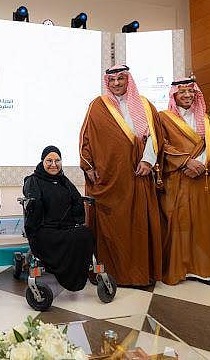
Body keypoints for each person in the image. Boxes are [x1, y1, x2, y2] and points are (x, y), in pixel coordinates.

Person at [79, 64, 163, 286]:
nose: (116, 83)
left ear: (128, 80)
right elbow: (85, 138)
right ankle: (109, 273)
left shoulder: (145, 105)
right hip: (107, 179)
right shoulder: (97, 105)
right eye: (112, 80)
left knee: (137, 226)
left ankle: (139, 274)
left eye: (121, 79)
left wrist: (147, 160)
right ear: (107, 82)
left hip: (137, 176)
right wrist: (88, 166)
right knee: (110, 229)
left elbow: (154, 137)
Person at [158, 78, 210, 286]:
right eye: (182, 92)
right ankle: (178, 269)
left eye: (190, 91)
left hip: (202, 179)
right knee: (178, 223)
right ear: (174, 95)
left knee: (202, 224)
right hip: (177, 179)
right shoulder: (163, 118)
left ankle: (201, 270)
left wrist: (201, 164)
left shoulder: (205, 119)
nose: (187, 95)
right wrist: (185, 162)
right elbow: (161, 145)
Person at [23, 146, 93, 291]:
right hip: (43, 229)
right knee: (53, 238)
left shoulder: (64, 182)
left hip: (65, 228)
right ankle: (65, 273)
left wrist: (76, 220)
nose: (54, 164)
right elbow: (33, 205)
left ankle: (76, 276)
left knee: (85, 233)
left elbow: (77, 199)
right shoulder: (33, 181)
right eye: (49, 160)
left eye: (57, 160)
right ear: (42, 161)